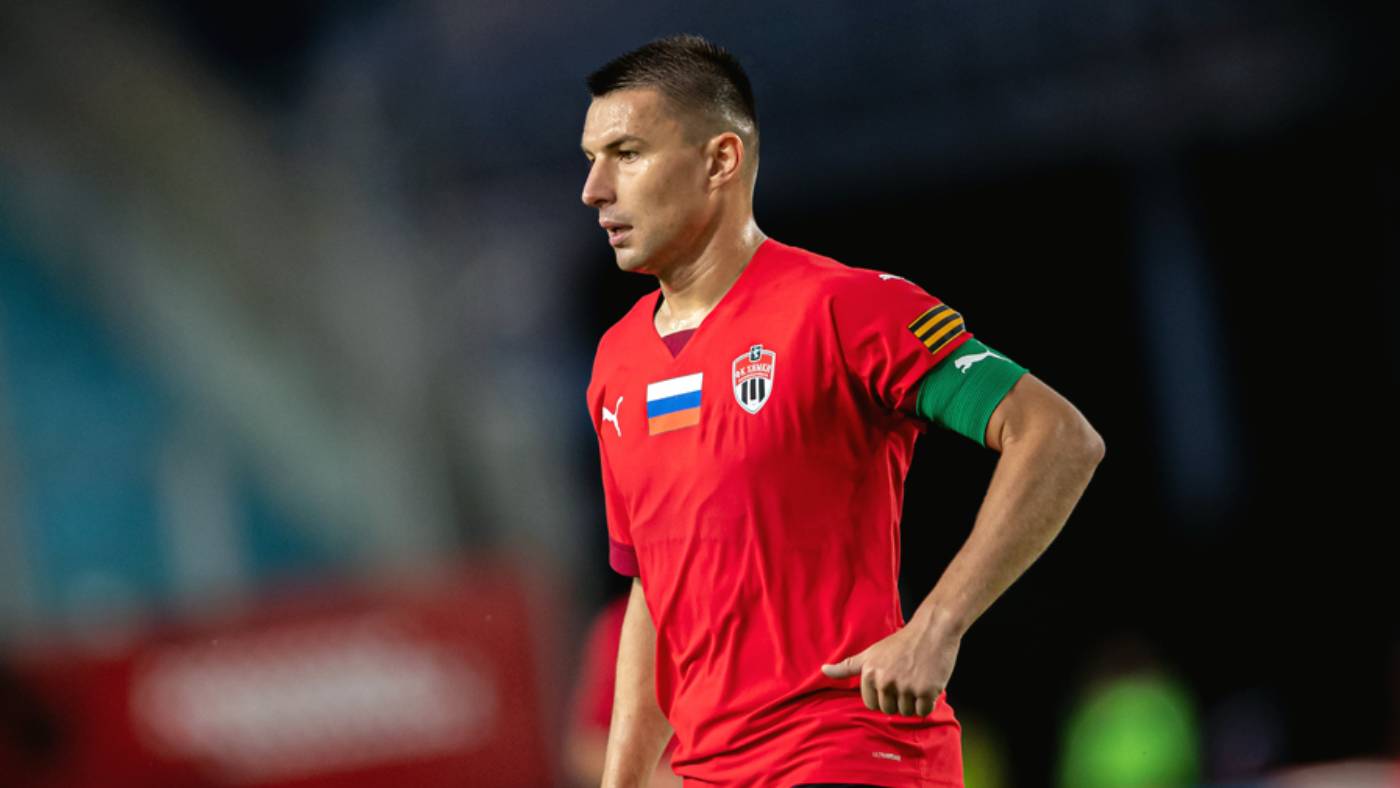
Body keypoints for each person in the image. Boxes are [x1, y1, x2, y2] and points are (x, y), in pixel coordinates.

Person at [580, 34, 1105, 788]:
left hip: (850, 752)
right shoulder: (616, 363)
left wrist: (938, 625)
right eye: (591, 159)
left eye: (626, 154)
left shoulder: (840, 307)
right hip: (710, 774)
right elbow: (654, 592)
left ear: (721, 160)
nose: (595, 189)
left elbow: (1055, 435)